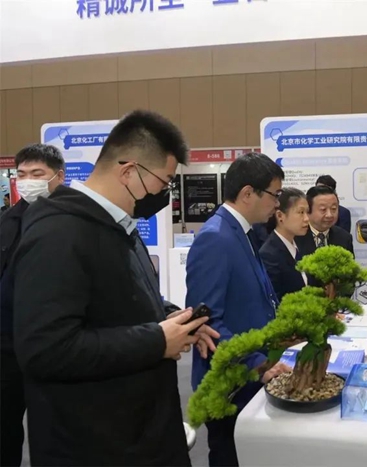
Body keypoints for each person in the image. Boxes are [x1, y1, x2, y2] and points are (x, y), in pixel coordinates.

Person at [12, 110, 218, 466]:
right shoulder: (58, 234)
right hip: (95, 444)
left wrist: (175, 320)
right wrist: (157, 340)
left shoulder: (119, 227)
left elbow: (121, 298)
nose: (164, 194)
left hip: (139, 430)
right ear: (129, 172)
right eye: (164, 182)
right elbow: (45, 349)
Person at [186, 152, 291, 467]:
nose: (277, 204)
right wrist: (257, 363)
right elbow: (207, 322)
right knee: (229, 456)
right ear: (248, 193)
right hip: (230, 381)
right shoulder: (215, 239)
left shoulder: (242, 232)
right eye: (274, 195)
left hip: (252, 373)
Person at [0, 144, 65, 467]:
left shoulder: (74, 220)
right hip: (7, 348)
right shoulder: (8, 221)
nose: (27, 181)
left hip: (56, 346)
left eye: (37, 174)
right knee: (5, 429)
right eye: (22, 174)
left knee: (55, 432)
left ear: (58, 176)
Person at [260, 187, 310, 301]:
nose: (307, 219)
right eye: (301, 212)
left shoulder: (301, 245)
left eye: (307, 212)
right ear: (280, 216)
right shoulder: (269, 254)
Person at [296, 184, 354, 262]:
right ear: (308, 211)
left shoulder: (344, 238)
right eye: (323, 209)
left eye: (333, 209)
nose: (329, 215)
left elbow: (350, 268)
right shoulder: (294, 237)